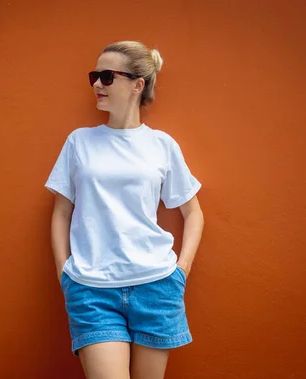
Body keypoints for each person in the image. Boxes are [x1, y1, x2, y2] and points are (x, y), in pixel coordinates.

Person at [44, 40, 204, 379]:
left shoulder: (162, 145)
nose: (97, 85)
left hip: (157, 285)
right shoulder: (79, 141)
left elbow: (193, 212)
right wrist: (64, 272)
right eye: (94, 76)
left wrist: (181, 270)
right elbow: (61, 212)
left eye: (106, 76)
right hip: (91, 288)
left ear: (137, 85)